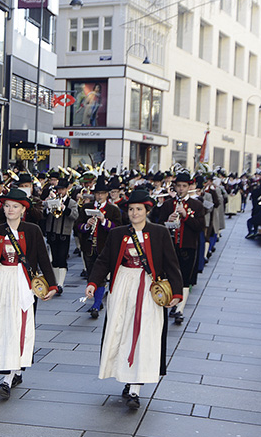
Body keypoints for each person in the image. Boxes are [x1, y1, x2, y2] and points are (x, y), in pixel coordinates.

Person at [86, 190, 183, 409]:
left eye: (139, 209)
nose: (134, 213)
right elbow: (103, 261)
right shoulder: (118, 233)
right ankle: (126, 376)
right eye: (131, 209)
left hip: (149, 289)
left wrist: (177, 293)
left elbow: (171, 263)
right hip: (122, 286)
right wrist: (93, 282)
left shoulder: (159, 233)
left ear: (147, 211)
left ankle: (135, 388)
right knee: (122, 332)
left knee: (145, 334)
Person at [0, 188, 58, 399]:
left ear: (23, 209)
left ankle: (9, 377)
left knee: (19, 326)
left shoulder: (32, 230)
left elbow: (42, 259)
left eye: (15, 206)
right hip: (1, 281)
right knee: (3, 325)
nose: (10, 210)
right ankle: (12, 368)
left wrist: (53, 285)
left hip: (23, 283)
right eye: (7, 206)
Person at [155, 172, 205, 325]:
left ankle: (179, 310)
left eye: (184, 186)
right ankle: (171, 302)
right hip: (169, 246)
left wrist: (186, 216)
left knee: (185, 278)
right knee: (169, 276)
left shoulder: (197, 205)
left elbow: (200, 227)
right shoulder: (168, 204)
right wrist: (166, 221)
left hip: (188, 246)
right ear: (175, 187)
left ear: (189, 187)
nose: (181, 189)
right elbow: (158, 225)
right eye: (179, 186)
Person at [75, 175, 122, 318]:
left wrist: (104, 222)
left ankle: (96, 305)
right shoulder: (87, 207)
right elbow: (77, 226)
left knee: (100, 276)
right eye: (97, 194)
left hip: (104, 248)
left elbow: (118, 228)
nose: (99, 196)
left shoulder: (113, 210)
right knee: (91, 275)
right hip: (89, 247)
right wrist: (86, 225)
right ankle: (97, 301)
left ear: (107, 195)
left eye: (102, 194)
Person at [43, 177, 78, 293]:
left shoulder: (71, 202)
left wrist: (64, 208)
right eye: (58, 190)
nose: (60, 192)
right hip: (52, 231)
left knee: (62, 258)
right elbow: (44, 214)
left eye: (62, 190)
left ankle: (60, 283)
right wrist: (48, 206)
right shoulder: (52, 199)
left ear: (67, 189)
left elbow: (75, 216)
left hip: (64, 232)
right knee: (54, 258)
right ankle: (55, 282)